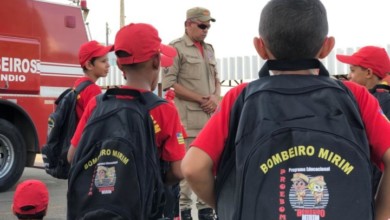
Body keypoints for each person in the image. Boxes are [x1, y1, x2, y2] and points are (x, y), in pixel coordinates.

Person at [181, 0, 390, 220]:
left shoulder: (241, 97)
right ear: (327, 46)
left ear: (259, 47)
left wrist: (232, 204)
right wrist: (380, 214)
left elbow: (193, 168)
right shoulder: (355, 96)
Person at [67, 23, 186, 219]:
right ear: (157, 61)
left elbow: (73, 157)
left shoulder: (97, 103)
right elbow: (178, 170)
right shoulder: (164, 109)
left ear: (120, 65)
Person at [161, 6, 220, 220]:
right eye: (202, 25)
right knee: (186, 171)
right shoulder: (175, 48)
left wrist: (214, 97)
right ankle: (183, 212)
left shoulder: (210, 49)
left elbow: (216, 79)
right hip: (187, 121)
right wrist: (201, 99)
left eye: (208, 26)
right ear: (188, 24)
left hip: (208, 121)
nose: (206, 30)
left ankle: (206, 211)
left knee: (209, 166)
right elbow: (169, 83)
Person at [336, 46, 390, 118]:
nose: (348, 76)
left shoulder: (382, 102)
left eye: (352, 70)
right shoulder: (368, 97)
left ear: (368, 73)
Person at [76, 40, 113, 121]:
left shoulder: (79, 84)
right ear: (89, 65)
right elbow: (97, 122)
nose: (108, 65)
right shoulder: (92, 90)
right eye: (103, 61)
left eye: (107, 60)